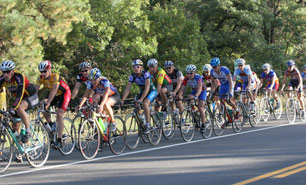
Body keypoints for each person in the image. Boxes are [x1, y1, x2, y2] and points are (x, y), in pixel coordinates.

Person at [0, 60, 38, 143]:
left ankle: (28, 132)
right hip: (20, 99)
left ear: (12, 71)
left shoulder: (19, 77)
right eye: (3, 72)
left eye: (8, 72)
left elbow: (20, 94)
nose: (5, 74)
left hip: (31, 96)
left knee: (19, 108)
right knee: (15, 126)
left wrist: (13, 108)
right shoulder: (2, 79)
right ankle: (21, 149)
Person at [35, 60, 71, 149]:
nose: (43, 73)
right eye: (41, 72)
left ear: (49, 70)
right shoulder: (40, 78)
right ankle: (51, 124)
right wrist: (33, 101)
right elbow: (35, 91)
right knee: (42, 104)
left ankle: (59, 140)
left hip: (64, 93)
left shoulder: (55, 77)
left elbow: (54, 90)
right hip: (54, 94)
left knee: (59, 114)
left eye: (45, 71)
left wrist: (49, 102)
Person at [78, 68, 120, 132]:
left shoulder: (104, 81)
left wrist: (101, 105)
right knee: (95, 101)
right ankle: (102, 130)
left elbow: (106, 94)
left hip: (113, 95)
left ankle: (113, 122)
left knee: (106, 104)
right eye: (91, 80)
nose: (93, 82)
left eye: (95, 80)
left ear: (99, 78)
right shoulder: (90, 83)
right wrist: (80, 105)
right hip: (102, 96)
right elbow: (86, 95)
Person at [121, 59, 157, 133]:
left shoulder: (146, 74)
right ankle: (142, 119)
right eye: (134, 67)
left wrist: (141, 99)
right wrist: (123, 99)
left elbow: (147, 88)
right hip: (143, 92)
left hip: (151, 91)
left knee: (145, 104)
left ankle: (148, 125)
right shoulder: (132, 76)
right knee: (136, 104)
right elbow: (128, 88)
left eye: (137, 67)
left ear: (141, 67)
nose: (136, 69)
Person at [177, 64, 207, 133]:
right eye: (187, 73)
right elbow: (182, 89)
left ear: (194, 73)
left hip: (202, 91)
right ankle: (194, 114)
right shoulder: (186, 78)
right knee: (189, 98)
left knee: (200, 107)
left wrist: (196, 97)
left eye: (191, 73)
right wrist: (179, 96)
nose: (189, 75)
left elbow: (199, 89)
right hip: (194, 90)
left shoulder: (198, 78)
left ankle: (203, 125)